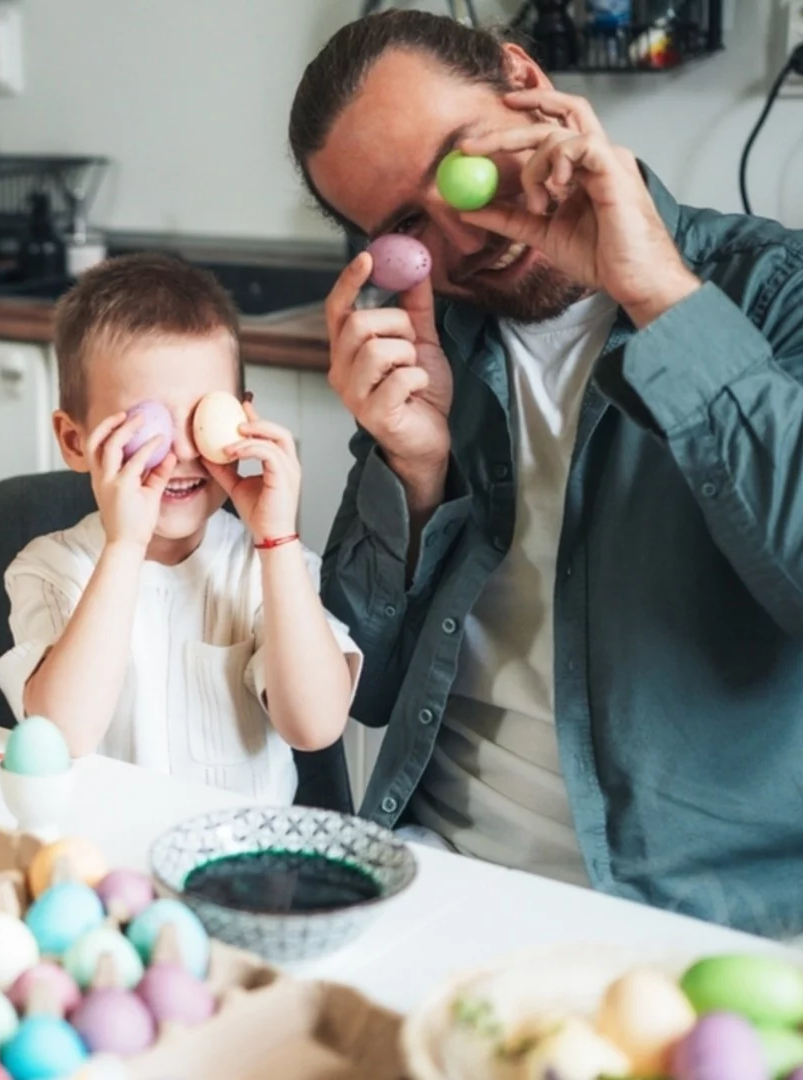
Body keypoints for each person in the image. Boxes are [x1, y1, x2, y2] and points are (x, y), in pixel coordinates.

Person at [291, 10, 803, 936]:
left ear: (522, 80)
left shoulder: (775, 293)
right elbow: (358, 687)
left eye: (461, 161)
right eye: (410, 222)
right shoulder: (428, 350)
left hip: (697, 925)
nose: (465, 229)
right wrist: (414, 472)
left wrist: (657, 293)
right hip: (438, 879)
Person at [0, 255, 360, 801]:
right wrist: (125, 545)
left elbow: (316, 727)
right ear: (75, 441)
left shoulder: (266, 568)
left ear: (243, 418)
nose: (184, 453)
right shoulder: (48, 570)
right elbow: (61, 736)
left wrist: (277, 540)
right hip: (103, 861)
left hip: (238, 867)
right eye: (149, 428)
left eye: (201, 419)